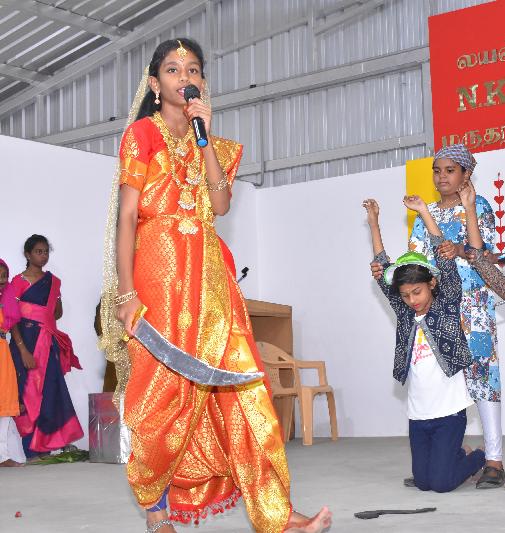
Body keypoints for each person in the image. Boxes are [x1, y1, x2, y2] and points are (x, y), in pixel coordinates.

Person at [101, 38, 331, 532]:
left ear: (203, 82)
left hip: (211, 281)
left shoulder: (213, 142)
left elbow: (221, 204)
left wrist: (204, 137)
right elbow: (125, 217)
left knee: (249, 392)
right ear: (155, 83)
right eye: (172, 69)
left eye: (193, 69)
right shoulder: (142, 134)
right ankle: (157, 512)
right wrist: (124, 294)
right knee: (160, 400)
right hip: (159, 281)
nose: (184, 76)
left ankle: (278, 514)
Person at [365, 197, 486, 493]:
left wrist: (423, 212)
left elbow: (443, 259)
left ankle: (478, 457)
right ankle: (453, 458)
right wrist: (374, 223)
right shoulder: (406, 313)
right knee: (423, 483)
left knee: (441, 484)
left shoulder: (445, 302)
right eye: (405, 295)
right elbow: (382, 265)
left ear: (431, 284)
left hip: (449, 412)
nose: (412, 300)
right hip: (419, 415)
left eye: (417, 292)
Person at [408, 144, 505, 488]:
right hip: (439, 313)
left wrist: (460, 250)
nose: (442, 177)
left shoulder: (478, 206)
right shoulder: (426, 212)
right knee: (445, 380)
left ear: (466, 174)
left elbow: (487, 256)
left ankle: (493, 460)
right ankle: (448, 455)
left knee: (482, 379)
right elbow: (417, 262)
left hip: (473, 307)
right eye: (437, 171)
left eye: (450, 170)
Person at [4, 235, 83, 460]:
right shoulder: (17, 282)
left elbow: (56, 314)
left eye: (46, 251)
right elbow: (12, 320)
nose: (43, 255)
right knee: (26, 392)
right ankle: (29, 448)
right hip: (25, 344)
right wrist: (23, 350)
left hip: (47, 344)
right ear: (28, 255)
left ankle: (44, 446)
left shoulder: (53, 281)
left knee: (49, 392)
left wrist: (54, 298)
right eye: (38, 251)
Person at [0, 258, 25, 467]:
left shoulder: (8, 298)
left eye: (4, 276)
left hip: (3, 352)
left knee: (5, 403)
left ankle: (3, 455)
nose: (1, 280)